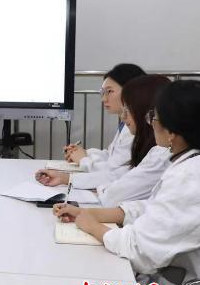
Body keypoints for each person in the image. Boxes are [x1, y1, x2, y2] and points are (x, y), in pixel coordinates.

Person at [53, 80, 200, 285]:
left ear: (173, 133)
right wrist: (99, 215)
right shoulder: (188, 164)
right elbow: (156, 207)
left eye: (154, 117)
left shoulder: (189, 177)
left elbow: (139, 251)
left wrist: (94, 227)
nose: (149, 122)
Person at [37, 75, 171, 206]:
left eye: (110, 91)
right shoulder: (153, 147)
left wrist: (84, 162)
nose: (124, 116)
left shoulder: (160, 154)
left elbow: (115, 187)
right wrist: (67, 177)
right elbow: (122, 173)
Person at [64, 64, 146, 185]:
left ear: (132, 90)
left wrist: (83, 160)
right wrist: (84, 153)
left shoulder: (136, 128)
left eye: (109, 91)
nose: (103, 99)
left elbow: (113, 171)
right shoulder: (126, 124)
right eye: (102, 92)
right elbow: (111, 155)